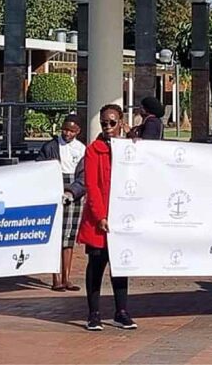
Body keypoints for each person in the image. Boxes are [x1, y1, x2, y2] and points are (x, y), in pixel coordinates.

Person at [77, 104, 136, 331]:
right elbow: (91, 186)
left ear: (121, 122)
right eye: (104, 123)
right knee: (96, 265)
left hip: (122, 217)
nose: (108, 126)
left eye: (112, 122)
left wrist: (134, 137)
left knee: (120, 266)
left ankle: (122, 311)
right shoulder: (94, 150)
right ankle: (93, 314)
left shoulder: (129, 148)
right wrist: (100, 215)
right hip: (99, 219)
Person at [36, 114, 86, 291]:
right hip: (55, 188)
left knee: (68, 237)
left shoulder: (82, 149)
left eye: (72, 131)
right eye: (65, 129)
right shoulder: (50, 146)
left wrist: (73, 191)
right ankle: (56, 278)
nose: (67, 133)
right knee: (56, 235)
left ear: (78, 131)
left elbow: (84, 175)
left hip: (74, 193)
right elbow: (40, 168)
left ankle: (67, 277)